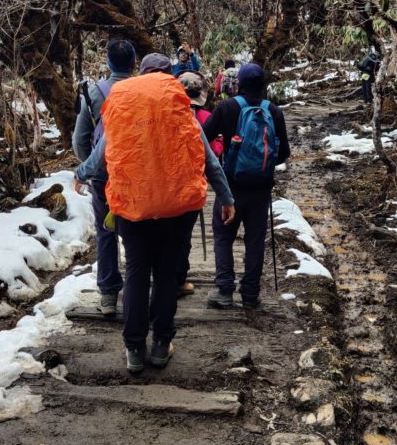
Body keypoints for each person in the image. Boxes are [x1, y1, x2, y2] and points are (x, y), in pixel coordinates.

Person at [74, 52, 235, 374]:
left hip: (133, 208)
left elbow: (100, 156)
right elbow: (208, 160)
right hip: (176, 208)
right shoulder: (182, 111)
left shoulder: (124, 110)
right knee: (164, 276)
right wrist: (227, 197)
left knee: (135, 274)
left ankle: (134, 348)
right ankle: (161, 344)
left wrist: (80, 174)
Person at [202, 62, 290, 310]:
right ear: (263, 85)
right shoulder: (273, 111)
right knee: (254, 240)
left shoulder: (227, 107)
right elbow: (283, 153)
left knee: (223, 235)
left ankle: (225, 290)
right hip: (261, 189)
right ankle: (250, 294)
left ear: (238, 83)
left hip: (230, 185)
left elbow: (202, 139)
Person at [72, 39, 136, 316]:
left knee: (105, 233)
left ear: (108, 63)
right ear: (134, 63)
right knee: (137, 230)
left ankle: (109, 295)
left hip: (104, 174)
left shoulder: (93, 92)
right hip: (136, 172)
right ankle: (138, 287)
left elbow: (79, 139)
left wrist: (90, 164)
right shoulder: (142, 90)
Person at [175, 71, 224, 296]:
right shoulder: (205, 116)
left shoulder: (169, 114)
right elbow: (213, 151)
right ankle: (179, 277)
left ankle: (163, 276)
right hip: (194, 184)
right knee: (183, 235)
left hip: (169, 180)